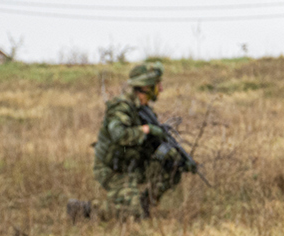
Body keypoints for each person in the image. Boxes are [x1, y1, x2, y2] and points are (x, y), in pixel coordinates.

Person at [68, 61, 194, 221]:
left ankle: (144, 205)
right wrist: (146, 130)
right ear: (146, 86)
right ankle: (81, 209)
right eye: (157, 84)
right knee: (130, 215)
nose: (161, 89)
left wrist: (176, 158)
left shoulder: (145, 110)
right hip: (113, 169)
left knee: (173, 163)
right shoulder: (122, 107)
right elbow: (119, 135)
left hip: (133, 165)